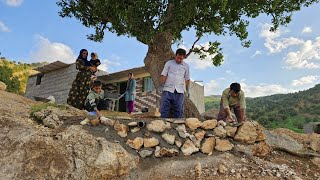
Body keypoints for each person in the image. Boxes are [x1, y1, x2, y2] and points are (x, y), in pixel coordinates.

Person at [160, 48, 190, 118]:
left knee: (179, 109)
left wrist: (188, 90)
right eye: (178, 58)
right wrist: (161, 86)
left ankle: (178, 125)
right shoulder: (169, 63)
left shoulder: (186, 66)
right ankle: (163, 124)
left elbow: (187, 79)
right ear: (175, 55)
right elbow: (164, 75)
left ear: (184, 58)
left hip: (179, 91)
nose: (179, 60)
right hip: (167, 89)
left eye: (181, 59)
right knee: (164, 108)